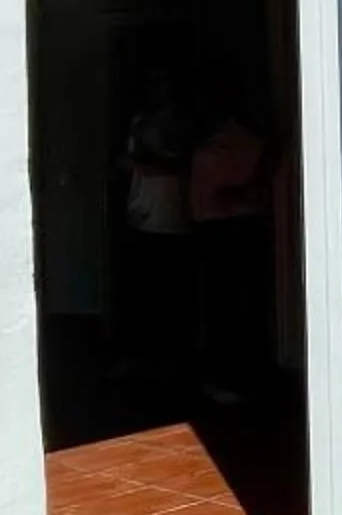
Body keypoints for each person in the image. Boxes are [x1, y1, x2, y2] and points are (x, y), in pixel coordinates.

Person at [189, 68, 275, 405]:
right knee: (220, 302)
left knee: (235, 304)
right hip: (212, 226)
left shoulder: (241, 137)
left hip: (233, 228)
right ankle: (225, 375)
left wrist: (242, 193)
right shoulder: (211, 136)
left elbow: (267, 164)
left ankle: (238, 379)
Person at [116, 65, 194, 382]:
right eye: (154, 83)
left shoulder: (184, 123)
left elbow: (179, 164)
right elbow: (130, 166)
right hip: (141, 217)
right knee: (143, 297)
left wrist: (142, 164)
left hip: (175, 220)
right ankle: (142, 363)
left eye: (165, 83)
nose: (159, 89)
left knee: (173, 300)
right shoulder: (138, 122)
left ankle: (172, 367)